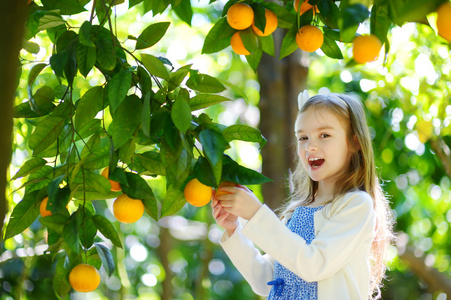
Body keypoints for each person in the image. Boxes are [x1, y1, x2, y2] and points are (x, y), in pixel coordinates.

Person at [212, 91, 394, 300]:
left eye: (324, 135)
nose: (310, 146)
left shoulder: (356, 205)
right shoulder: (297, 211)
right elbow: (265, 280)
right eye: (303, 137)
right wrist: (234, 229)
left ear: (354, 143)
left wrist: (255, 213)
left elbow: (313, 265)